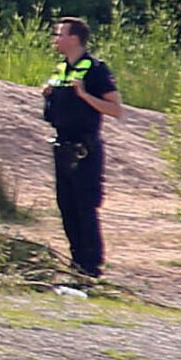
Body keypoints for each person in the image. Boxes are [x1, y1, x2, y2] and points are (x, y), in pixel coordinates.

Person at [43, 15, 124, 277]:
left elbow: (115, 110)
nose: (55, 39)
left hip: (85, 148)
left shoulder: (96, 69)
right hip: (62, 145)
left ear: (74, 38)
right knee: (66, 205)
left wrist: (85, 95)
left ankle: (91, 266)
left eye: (59, 34)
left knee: (85, 206)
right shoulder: (61, 68)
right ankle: (76, 261)